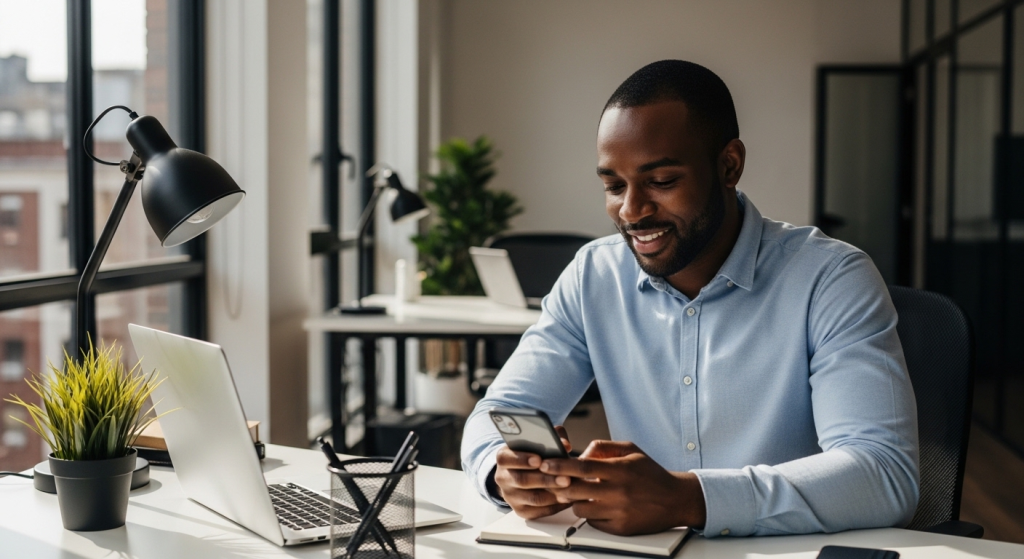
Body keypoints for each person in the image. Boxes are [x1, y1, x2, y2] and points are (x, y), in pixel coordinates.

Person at [460, 60, 919, 538]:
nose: (632, 211)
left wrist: (688, 498)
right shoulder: (593, 276)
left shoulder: (830, 277)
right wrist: (505, 474)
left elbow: (883, 473)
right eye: (614, 186)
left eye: (661, 182)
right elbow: (497, 414)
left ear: (729, 165)